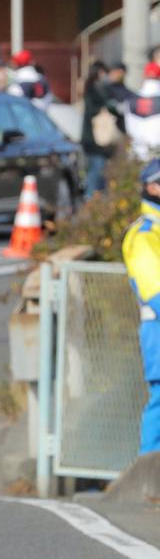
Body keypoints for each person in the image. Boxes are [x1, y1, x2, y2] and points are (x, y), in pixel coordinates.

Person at [122, 159, 160, 455]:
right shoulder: (145, 234)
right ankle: (148, 476)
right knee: (159, 400)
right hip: (157, 330)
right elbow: (155, 290)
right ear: (152, 187)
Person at [82, 61, 121, 198]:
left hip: (92, 138)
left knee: (95, 169)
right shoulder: (96, 90)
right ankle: (91, 197)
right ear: (100, 73)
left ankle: (93, 197)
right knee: (97, 170)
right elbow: (105, 107)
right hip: (96, 139)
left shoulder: (90, 89)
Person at [126, 62, 160, 162]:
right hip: (157, 153)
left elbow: (129, 127)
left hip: (137, 151)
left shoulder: (131, 99)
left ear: (144, 76)